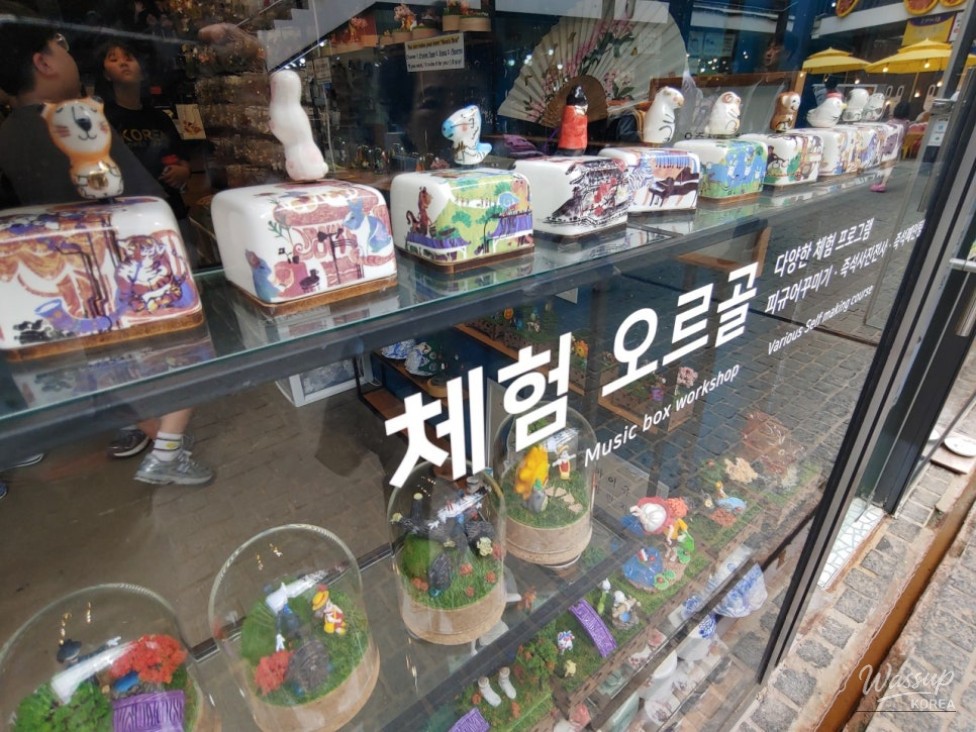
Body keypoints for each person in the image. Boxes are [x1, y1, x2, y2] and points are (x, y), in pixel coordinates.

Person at [0, 22, 212, 486]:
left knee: (110, 370)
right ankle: (167, 450)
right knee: (188, 351)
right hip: (127, 263)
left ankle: (159, 439)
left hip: (67, 281)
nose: (70, 56)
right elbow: (142, 200)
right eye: (62, 47)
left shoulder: (9, 134)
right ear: (44, 61)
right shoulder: (75, 118)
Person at [95, 40, 191, 223]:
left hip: (170, 209)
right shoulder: (102, 118)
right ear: (106, 74)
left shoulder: (160, 118)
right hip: (127, 212)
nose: (123, 63)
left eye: (129, 58)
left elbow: (182, 158)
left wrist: (182, 171)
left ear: (142, 71)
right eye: (113, 59)